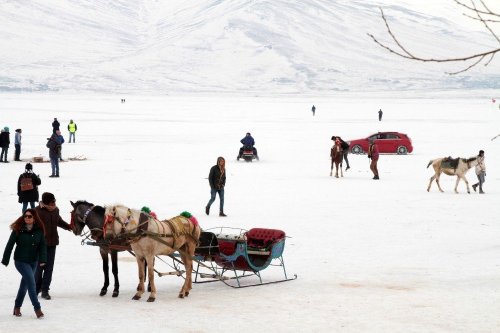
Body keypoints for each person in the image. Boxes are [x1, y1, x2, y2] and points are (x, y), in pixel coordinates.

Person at [2, 209, 47, 318]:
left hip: (33, 262)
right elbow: (10, 244)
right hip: (20, 261)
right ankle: (37, 308)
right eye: (25, 216)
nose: (27, 218)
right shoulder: (18, 229)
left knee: (25, 285)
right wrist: (5, 259)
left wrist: (43, 260)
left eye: (29, 216)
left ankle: (17, 307)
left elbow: (42, 246)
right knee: (31, 283)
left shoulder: (39, 231)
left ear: (34, 218)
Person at [35, 192, 72, 300]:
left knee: (49, 268)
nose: (54, 203)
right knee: (39, 268)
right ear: (46, 202)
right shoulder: (37, 211)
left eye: (54, 201)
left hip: (52, 243)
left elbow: (59, 221)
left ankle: (45, 290)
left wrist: (69, 227)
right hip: (40, 245)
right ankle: (37, 288)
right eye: (52, 201)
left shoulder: (56, 210)